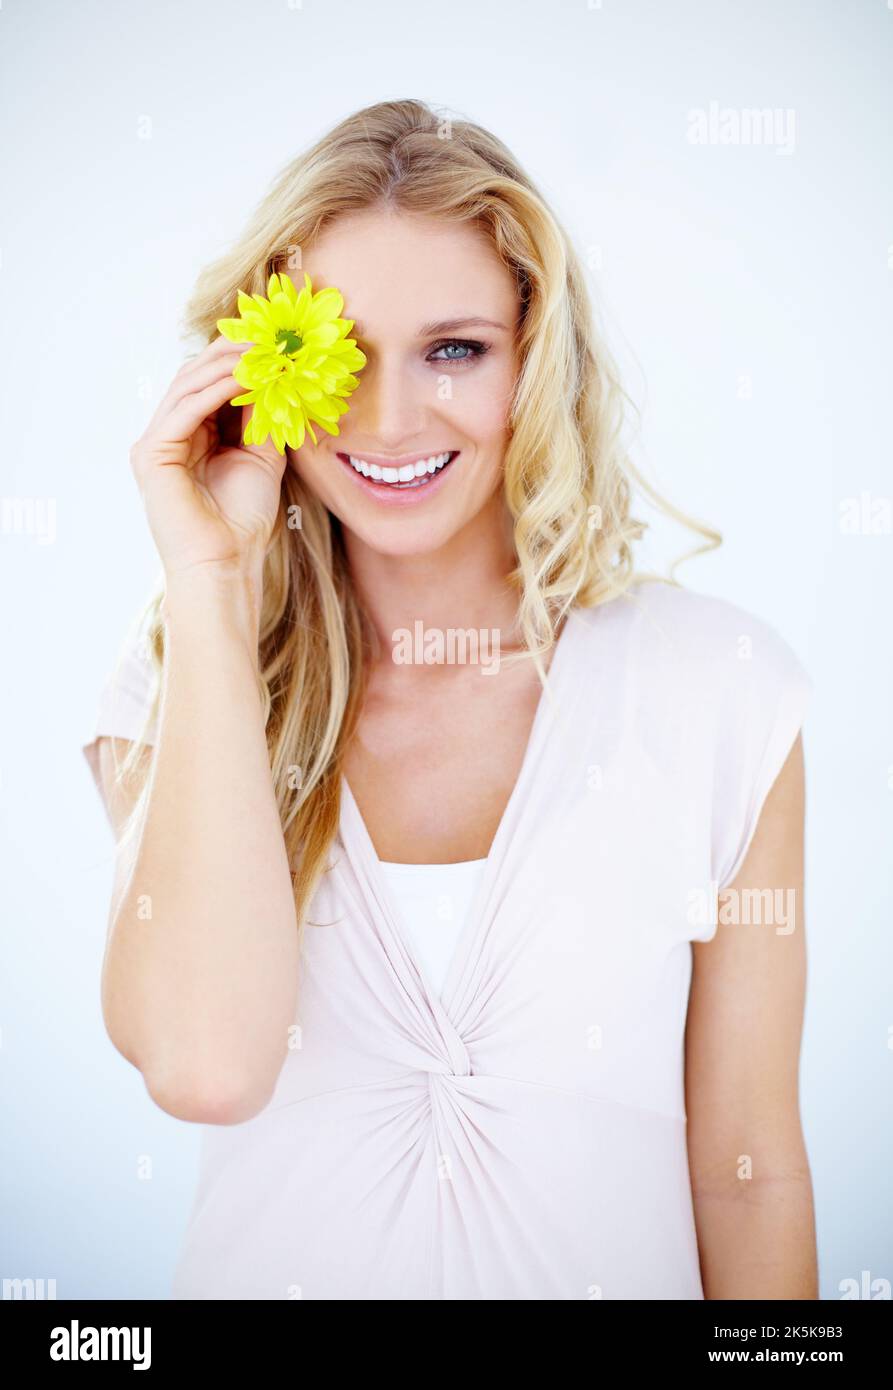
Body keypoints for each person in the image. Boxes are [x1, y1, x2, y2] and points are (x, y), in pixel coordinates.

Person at [82, 98, 818, 1300]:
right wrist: (211, 587)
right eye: (340, 354)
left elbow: (746, 1176)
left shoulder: (719, 690)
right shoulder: (180, 681)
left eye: (454, 348)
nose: (386, 419)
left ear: (534, 355)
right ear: (259, 371)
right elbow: (207, 1067)